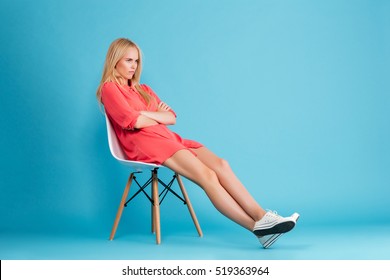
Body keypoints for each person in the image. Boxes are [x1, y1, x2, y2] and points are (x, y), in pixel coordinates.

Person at [96, 38, 299, 248]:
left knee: (221, 164)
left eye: (136, 61)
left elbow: (171, 117)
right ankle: (256, 228)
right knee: (208, 176)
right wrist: (155, 115)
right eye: (128, 60)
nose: (133, 66)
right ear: (115, 60)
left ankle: (263, 217)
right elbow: (134, 122)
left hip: (166, 138)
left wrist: (146, 114)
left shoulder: (143, 89)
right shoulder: (109, 88)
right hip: (145, 144)